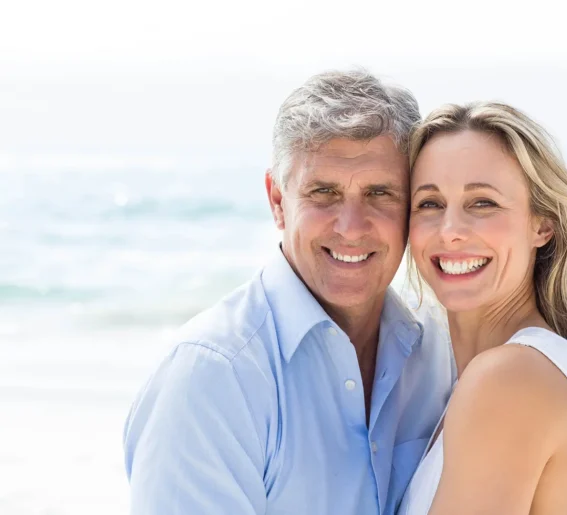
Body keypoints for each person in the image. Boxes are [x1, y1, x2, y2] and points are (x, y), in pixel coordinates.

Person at [122, 70, 454, 515]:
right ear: (278, 201)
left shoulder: (439, 352)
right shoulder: (214, 378)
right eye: (324, 193)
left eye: (380, 193)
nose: (352, 227)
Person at [398, 102, 567, 515]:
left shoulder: (508, 379)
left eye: (482, 203)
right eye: (430, 204)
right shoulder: (516, 370)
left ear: (542, 224)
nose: (450, 231)